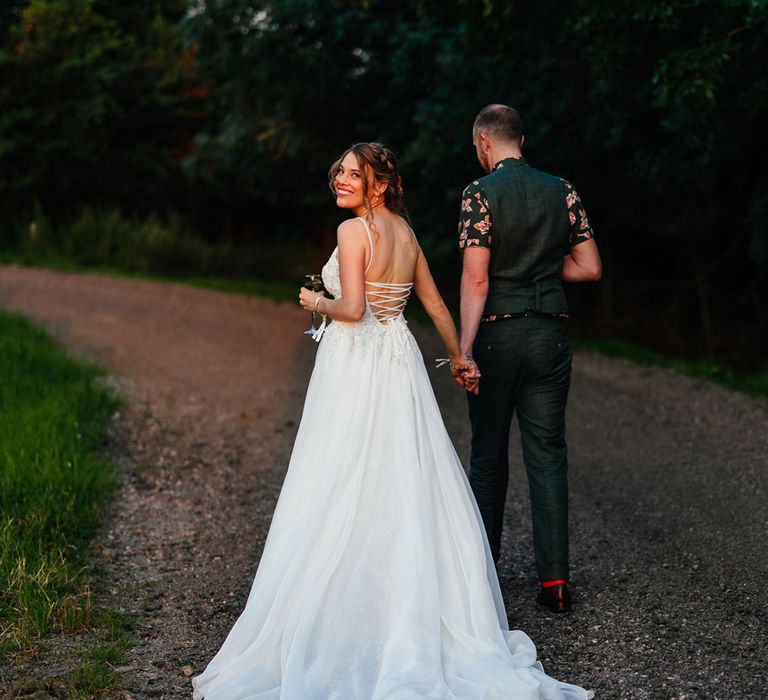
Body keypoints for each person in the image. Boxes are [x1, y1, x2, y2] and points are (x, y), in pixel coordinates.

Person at [191, 142, 593, 699]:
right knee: (401, 473)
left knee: (340, 472)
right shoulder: (405, 232)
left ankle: (345, 605)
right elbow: (433, 304)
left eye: (353, 174)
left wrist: (314, 302)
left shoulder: (353, 234)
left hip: (356, 363)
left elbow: (353, 309)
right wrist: (460, 358)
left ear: (378, 183)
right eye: (339, 172)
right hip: (398, 362)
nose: (341, 180)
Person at [458, 105, 602, 614]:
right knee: (547, 454)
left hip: (497, 335)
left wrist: (465, 348)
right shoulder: (561, 190)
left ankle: (482, 579)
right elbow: (589, 267)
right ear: (522, 138)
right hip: (549, 335)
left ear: (483, 142)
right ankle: (555, 583)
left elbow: (477, 279)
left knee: (488, 455)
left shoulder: (480, 194)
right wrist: (540, 269)